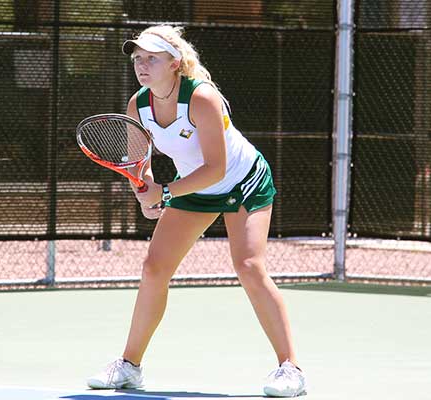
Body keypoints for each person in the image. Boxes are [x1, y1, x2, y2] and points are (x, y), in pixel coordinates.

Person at [87, 25, 307, 397]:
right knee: (154, 268)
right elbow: (139, 161)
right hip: (193, 185)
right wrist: (144, 191)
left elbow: (217, 169)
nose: (142, 65)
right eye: (138, 58)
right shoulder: (137, 105)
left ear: (174, 64)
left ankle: (291, 369)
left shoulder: (202, 98)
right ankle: (129, 366)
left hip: (242, 181)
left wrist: (165, 192)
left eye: (152, 58)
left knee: (249, 266)